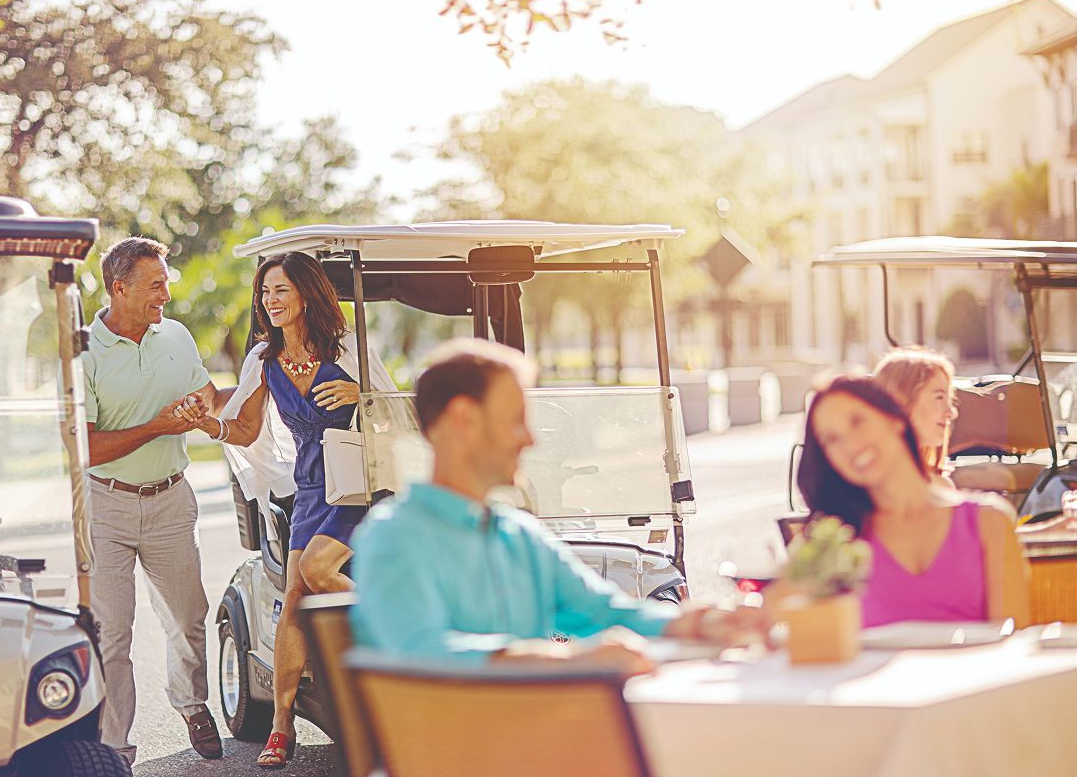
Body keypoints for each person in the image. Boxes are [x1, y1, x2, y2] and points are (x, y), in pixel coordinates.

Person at [350, 338, 765, 671]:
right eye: (516, 419)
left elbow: (604, 612)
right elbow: (422, 654)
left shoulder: (519, 534)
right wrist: (568, 660)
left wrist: (703, 620)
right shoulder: (394, 537)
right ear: (464, 419)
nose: (530, 438)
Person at [197, 251, 397, 769]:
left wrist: (361, 392)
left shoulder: (349, 347)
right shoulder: (264, 360)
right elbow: (244, 429)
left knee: (314, 568)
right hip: (311, 488)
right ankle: (282, 726)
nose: (270, 300)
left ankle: (397, 625)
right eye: (265, 292)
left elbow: (397, 410)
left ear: (306, 293)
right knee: (294, 596)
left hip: (357, 485)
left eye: (280, 289)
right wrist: (208, 424)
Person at [82, 236, 223, 763]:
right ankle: (115, 749)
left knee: (187, 616)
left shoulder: (176, 335)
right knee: (111, 634)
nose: (166, 294)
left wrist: (201, 407)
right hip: (106, 505)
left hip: (170, 501)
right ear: (119, 288)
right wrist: (156, 426)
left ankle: (191, 704)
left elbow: (206, 394)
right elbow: (84, 447)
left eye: (166, 283)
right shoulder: (82, 350)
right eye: (155, 285)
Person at [796, 374, 1030, 629]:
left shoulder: (989, 521)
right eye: (831, 439)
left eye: (857, 422)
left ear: (894, 418)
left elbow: (1012, 640)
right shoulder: (834, 540)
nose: (850, 445)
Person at [874, 346, 957, 489]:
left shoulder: (941, 486)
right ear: (901, 401)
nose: (951, 412)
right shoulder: (856, 485)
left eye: (949, 400)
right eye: (939, 397)